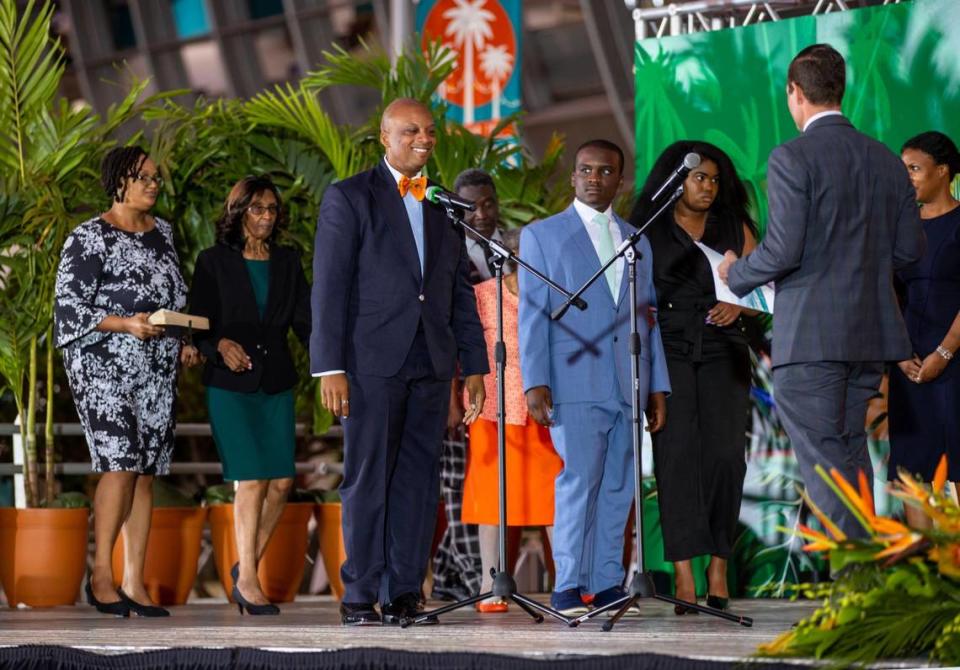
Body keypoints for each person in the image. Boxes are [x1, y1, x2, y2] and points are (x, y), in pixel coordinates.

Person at [718, 44, 925, 538]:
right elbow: (909, 250)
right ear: (839, 90)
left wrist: (735, 272)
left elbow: (783, 251)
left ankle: (861, 579)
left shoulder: (792, 157)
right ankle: (861, 590)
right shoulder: (885, 159)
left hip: (811, 338)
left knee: (827, 460)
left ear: (794, 92)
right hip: (869, 337)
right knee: (849, 452)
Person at [310, 98, 488, 626]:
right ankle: (360, 595)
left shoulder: (444, 204)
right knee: (367, 479)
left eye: (430, 131)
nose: (424, 138)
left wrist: (473, 366)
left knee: (418, 480)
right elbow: (330, 287)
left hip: (431, 362)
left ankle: (405, 592)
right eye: (411, 130)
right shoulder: (349, 197)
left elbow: (459, 291)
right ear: (384, 137)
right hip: (368, 364)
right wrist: (329, 367)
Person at [518, 139, 670, 616]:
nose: (594, 178)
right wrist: (534, 379)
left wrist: (658, 385)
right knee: (579, 482)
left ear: (619, 181)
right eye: (585, 170)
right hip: (572, 379)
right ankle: (567, 584)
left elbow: (647, 318)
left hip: (628, 381)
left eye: (605, 172)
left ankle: (605, 583)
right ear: (572, 176)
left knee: (619, 486)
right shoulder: (542, 235)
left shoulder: (636, 240)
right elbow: (532, 313)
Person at [54, 146, 200, 617]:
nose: (153, 184)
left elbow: (175, 294)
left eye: (156, 177)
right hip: (102, 363)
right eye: (143, 177)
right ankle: (101, 577)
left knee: (145, 468)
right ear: (118, 181)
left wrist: (183, 338)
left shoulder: (164, 234)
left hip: (156, 365)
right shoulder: (89, 237)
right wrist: (126, 324)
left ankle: (134, 582)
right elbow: (69, 308)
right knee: (119, 460)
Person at [633, 141, 758, 612]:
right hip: (669, 351)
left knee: (727, 457)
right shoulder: (647, 231)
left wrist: (739, 303)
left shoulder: (733, 226)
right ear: (675, 180)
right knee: (676, 456)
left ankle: (718, 567)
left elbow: (764, 284)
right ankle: (684, 573)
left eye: (714, 179)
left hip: (726, 349)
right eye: (698, 177)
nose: (707, 186)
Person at [189, 176, 310, 615]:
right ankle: (252, 583)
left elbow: (307, 323)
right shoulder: (213, 262)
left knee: (282, 482)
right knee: (253, 478)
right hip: (230, 388)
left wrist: (338, 363)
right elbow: (198, 325)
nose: (264, 217)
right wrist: (217, 345)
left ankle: (246, 568)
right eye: (256, 208)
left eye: (271, 210)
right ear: (237, 212)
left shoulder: (288, 262)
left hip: (275, 384)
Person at [461, 227, 563, 613]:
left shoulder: (553, 296)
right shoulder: (483, 295)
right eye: (516, 251)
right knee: (492, 496)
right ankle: (492, 582)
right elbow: (468, 349)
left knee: (554, 496)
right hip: (492, 409)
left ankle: (568, 579)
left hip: (541, 409)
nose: (522, 257)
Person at [431, 168, 508, 603]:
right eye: (469, 205)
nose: (479, 213)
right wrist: (450, 394)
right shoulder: (442, 250)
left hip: (509, 385)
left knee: (484, 483)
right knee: (462, 483)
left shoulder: (518, 247)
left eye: (487, 203)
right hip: (458, 385)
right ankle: (481, 578)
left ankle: (446, 577)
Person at [888, 131, 960, 528]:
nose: (906, 178)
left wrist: (944, 354)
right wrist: (899, 354)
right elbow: (886, 294)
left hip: (954, 359)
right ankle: (926, 578)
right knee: (910, 469)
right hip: (909, 362)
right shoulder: (899, 229)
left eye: (913, 168)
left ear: (943, 171)